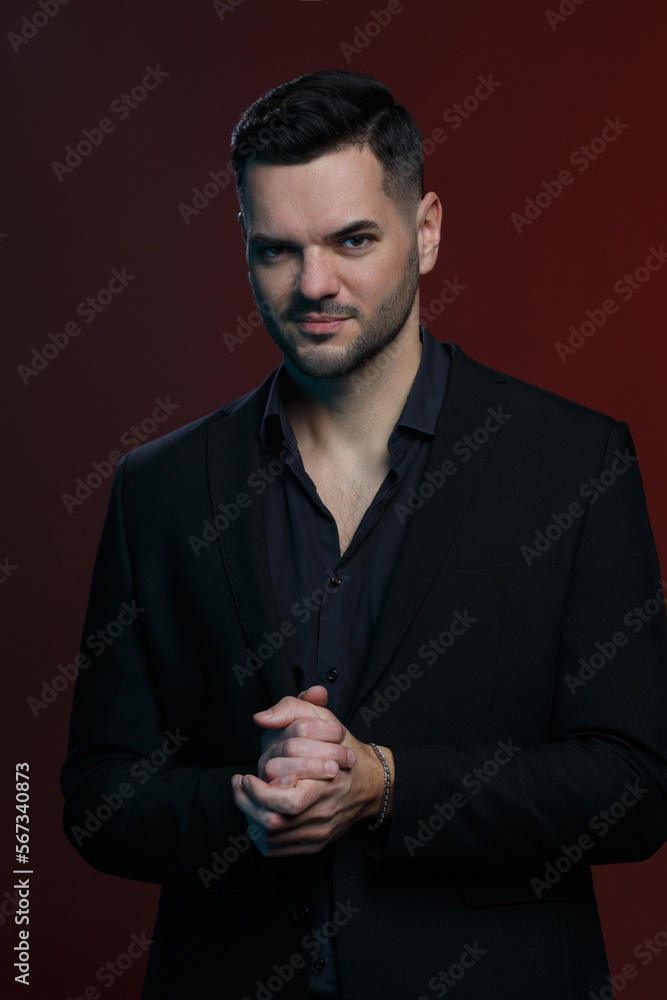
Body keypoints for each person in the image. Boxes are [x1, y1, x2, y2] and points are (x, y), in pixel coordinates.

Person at [61, 69, 667, 1000]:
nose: (312, 285)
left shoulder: (572, 462)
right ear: (243, 245)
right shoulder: (162, 487)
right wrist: (245, 808)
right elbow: (97, 798)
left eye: (351, 240)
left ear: (425, 231)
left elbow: (636, 783)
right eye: (276, 250)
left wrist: (385, 785)